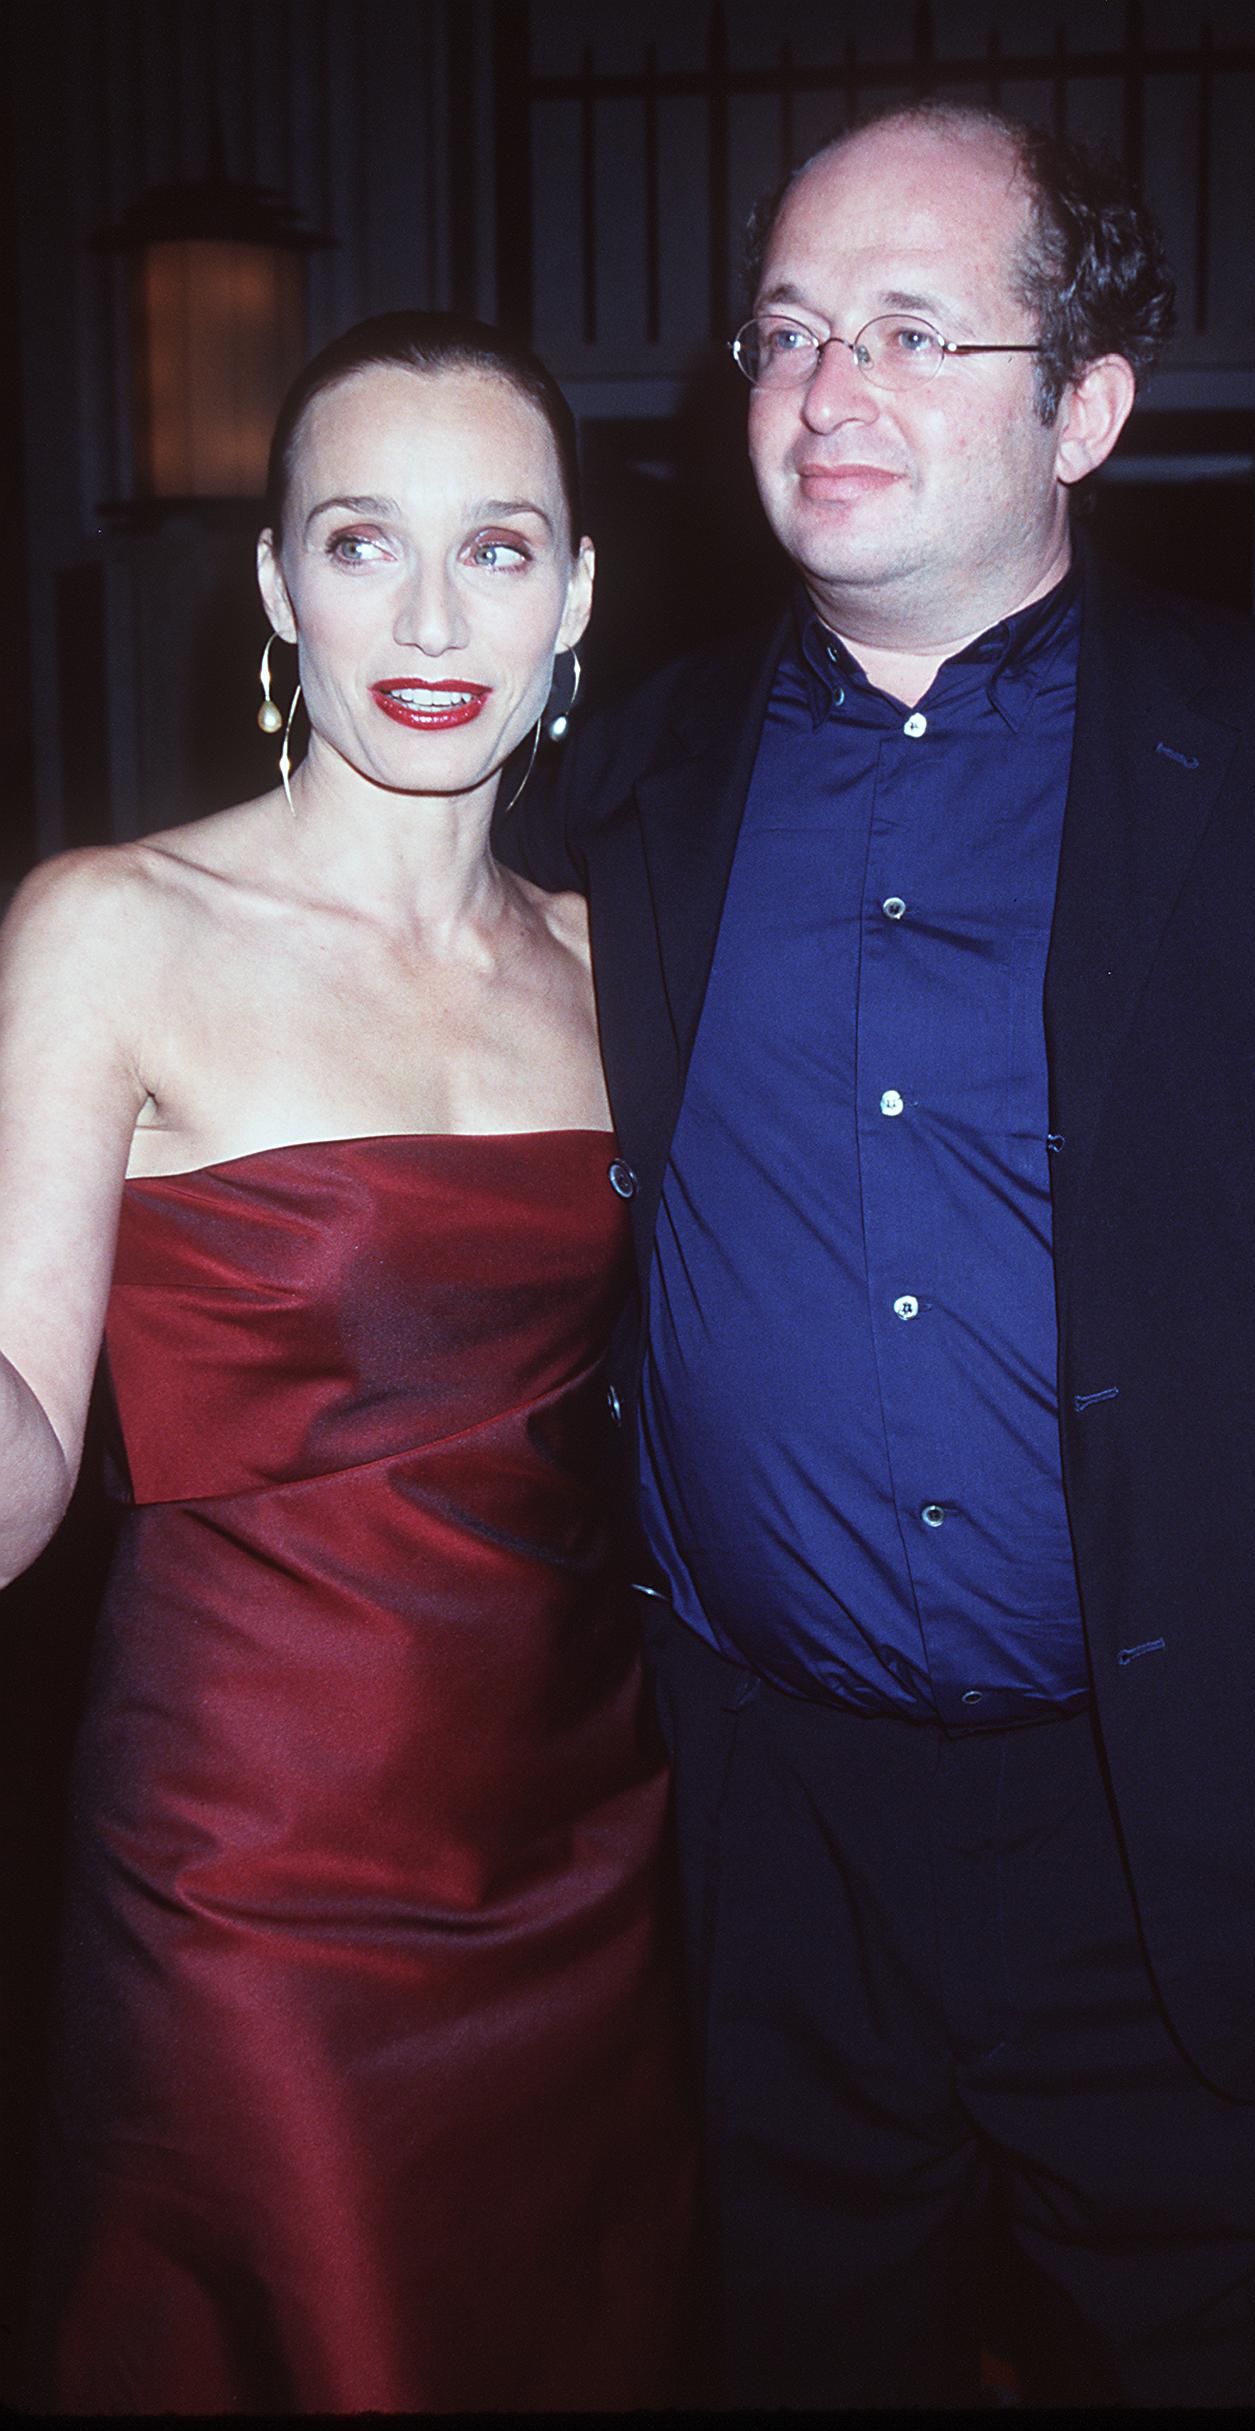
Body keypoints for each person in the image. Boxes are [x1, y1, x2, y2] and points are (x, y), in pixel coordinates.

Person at [496, 102, 1255, 2408]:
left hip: (1206, 1832)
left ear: (1086, 403)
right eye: (785, 332)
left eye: (907, 328)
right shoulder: (623, 790)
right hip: (772, 1848)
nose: (823, 388)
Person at [0, 312, 699, 2413]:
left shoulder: (616, 958)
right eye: (358, 540)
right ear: (278, 586)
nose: (424, 612)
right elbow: (27, 1426)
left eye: (494, 548)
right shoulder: (113, 926)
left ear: (573, 594)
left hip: (584, 1849)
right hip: (252, 1884)